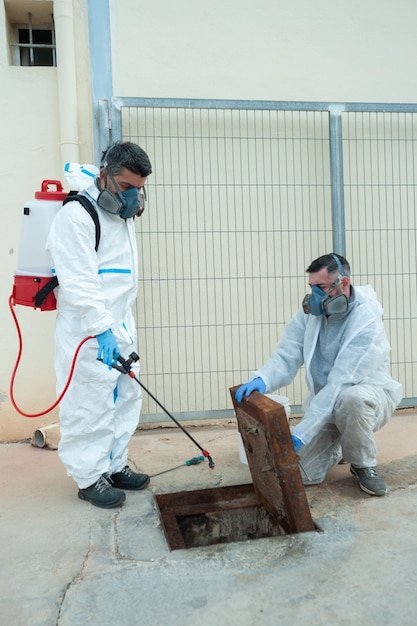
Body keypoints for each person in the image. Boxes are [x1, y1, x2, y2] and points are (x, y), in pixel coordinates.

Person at [235, 253, 402, 496]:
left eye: (321, 287)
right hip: (326, 402)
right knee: (301, 474)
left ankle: (363, 463)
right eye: (312, 287)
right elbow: (288, 353)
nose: (315, 296)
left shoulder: (366, 322)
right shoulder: (311, 314)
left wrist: (302, 432)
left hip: (367, 398)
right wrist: (264, 378)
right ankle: (338, 446)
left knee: (351, 399)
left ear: (343, 283)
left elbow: (340, 382)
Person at [46, 142, 152, 508]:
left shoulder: (121, 215)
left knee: (126, 396)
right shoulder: (76, 216)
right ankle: (90, 477)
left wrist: (116, 328)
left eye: (139, 189)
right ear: (104, 175)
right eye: (126, 187)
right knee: (89, 403)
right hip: (87, 330)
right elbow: (79, 282)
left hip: (120, 323)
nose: (132, 197)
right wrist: (101, 329)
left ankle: (115, 464)